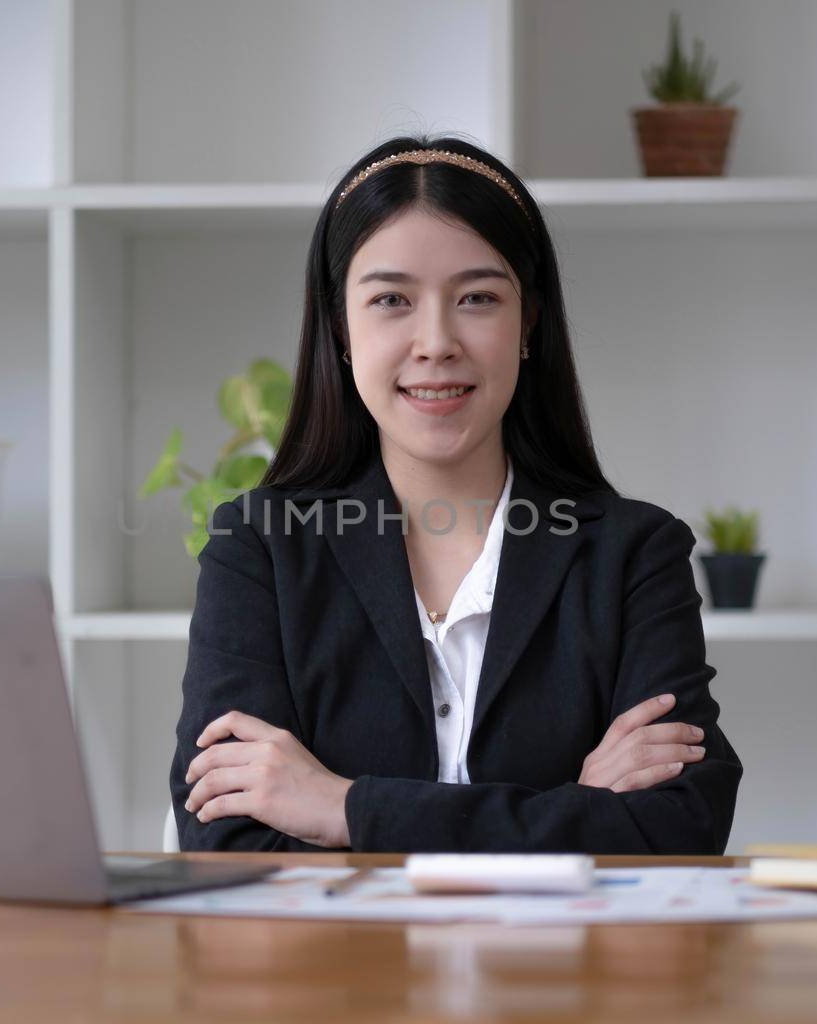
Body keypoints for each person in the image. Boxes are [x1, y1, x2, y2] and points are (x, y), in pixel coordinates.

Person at [168, 135, 742, 853]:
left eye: (476, 297)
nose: (435, 341)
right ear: (341, 327)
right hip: (329, 968)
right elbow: (225, 839)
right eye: (390, 300)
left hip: (564, 968)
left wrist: (345, 809)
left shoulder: (633, 554)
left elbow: (679, 828)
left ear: (527, 322)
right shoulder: (259, 548)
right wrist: (575, 811)